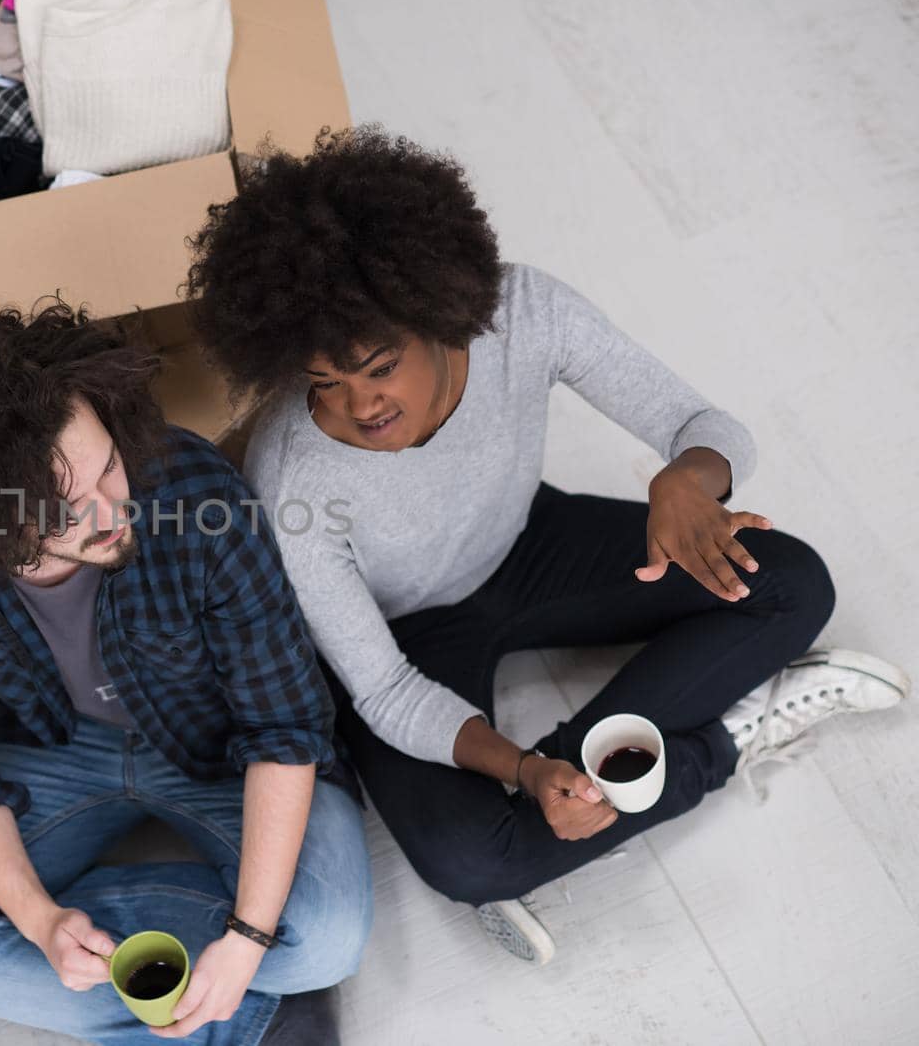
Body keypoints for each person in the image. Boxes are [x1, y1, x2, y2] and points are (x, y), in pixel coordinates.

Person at [182, 126, 911, 965]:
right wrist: (523, 770)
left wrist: (689, 481)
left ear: (430, 308)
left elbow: (703, 427)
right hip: (412, 639)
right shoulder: (292, 473)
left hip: (532, 540)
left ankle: (556, 815)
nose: (359, 406)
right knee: (467, 859)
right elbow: (382, 691)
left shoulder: (523, 312)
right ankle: (725, 742)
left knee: (792, 583)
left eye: (377, 366)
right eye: (323, 385)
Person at [0, 301, 371, 1044]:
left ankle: (216, 975)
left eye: (108, 465)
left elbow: (283, 725)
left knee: (329, 936)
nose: (112, 510)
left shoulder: (194, 493)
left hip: (220, 747)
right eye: (67, 513)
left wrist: (251, 935)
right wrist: (40, 921)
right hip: (51, 747)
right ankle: (251, 1007)